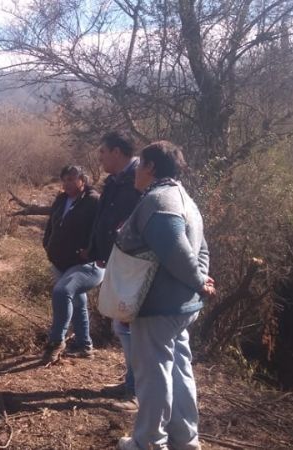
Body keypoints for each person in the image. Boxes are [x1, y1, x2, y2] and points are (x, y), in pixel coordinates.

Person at [113, 141, 215, 450]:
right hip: (180, 306)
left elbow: (173, 247)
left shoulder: (159, 200)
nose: (135, 170)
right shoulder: (185, 199)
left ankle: (149, 443)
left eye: (139, 163)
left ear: (151, 167)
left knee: (153, 375)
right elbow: (202, 248)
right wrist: (199, 280)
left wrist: (198, 281)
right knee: (179, 369)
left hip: (158, 306)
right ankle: (185, 440)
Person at [87, 131, 142, 402]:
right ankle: (132, 382)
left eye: (103, 152)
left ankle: (136, 388)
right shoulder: (114, 181)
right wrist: (98, 250)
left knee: (129, 327)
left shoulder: (139, 181)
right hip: (115, 261)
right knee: (122, 326)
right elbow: (103, 218)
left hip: (133, 266)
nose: (100, 157)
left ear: (117, 152)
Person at [42, 165, 102, 362]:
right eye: (65, 179)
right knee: (77, 301)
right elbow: (51, 224)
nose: (67, 183)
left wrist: (93, 250)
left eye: (72, 179)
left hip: (87, 265)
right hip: (61, 262)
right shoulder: (61, 199)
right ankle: (84, 346)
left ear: (82, 180)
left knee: (62, 291)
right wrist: (48, 244)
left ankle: (56, 342)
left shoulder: (93, 201)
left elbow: (103, 229)